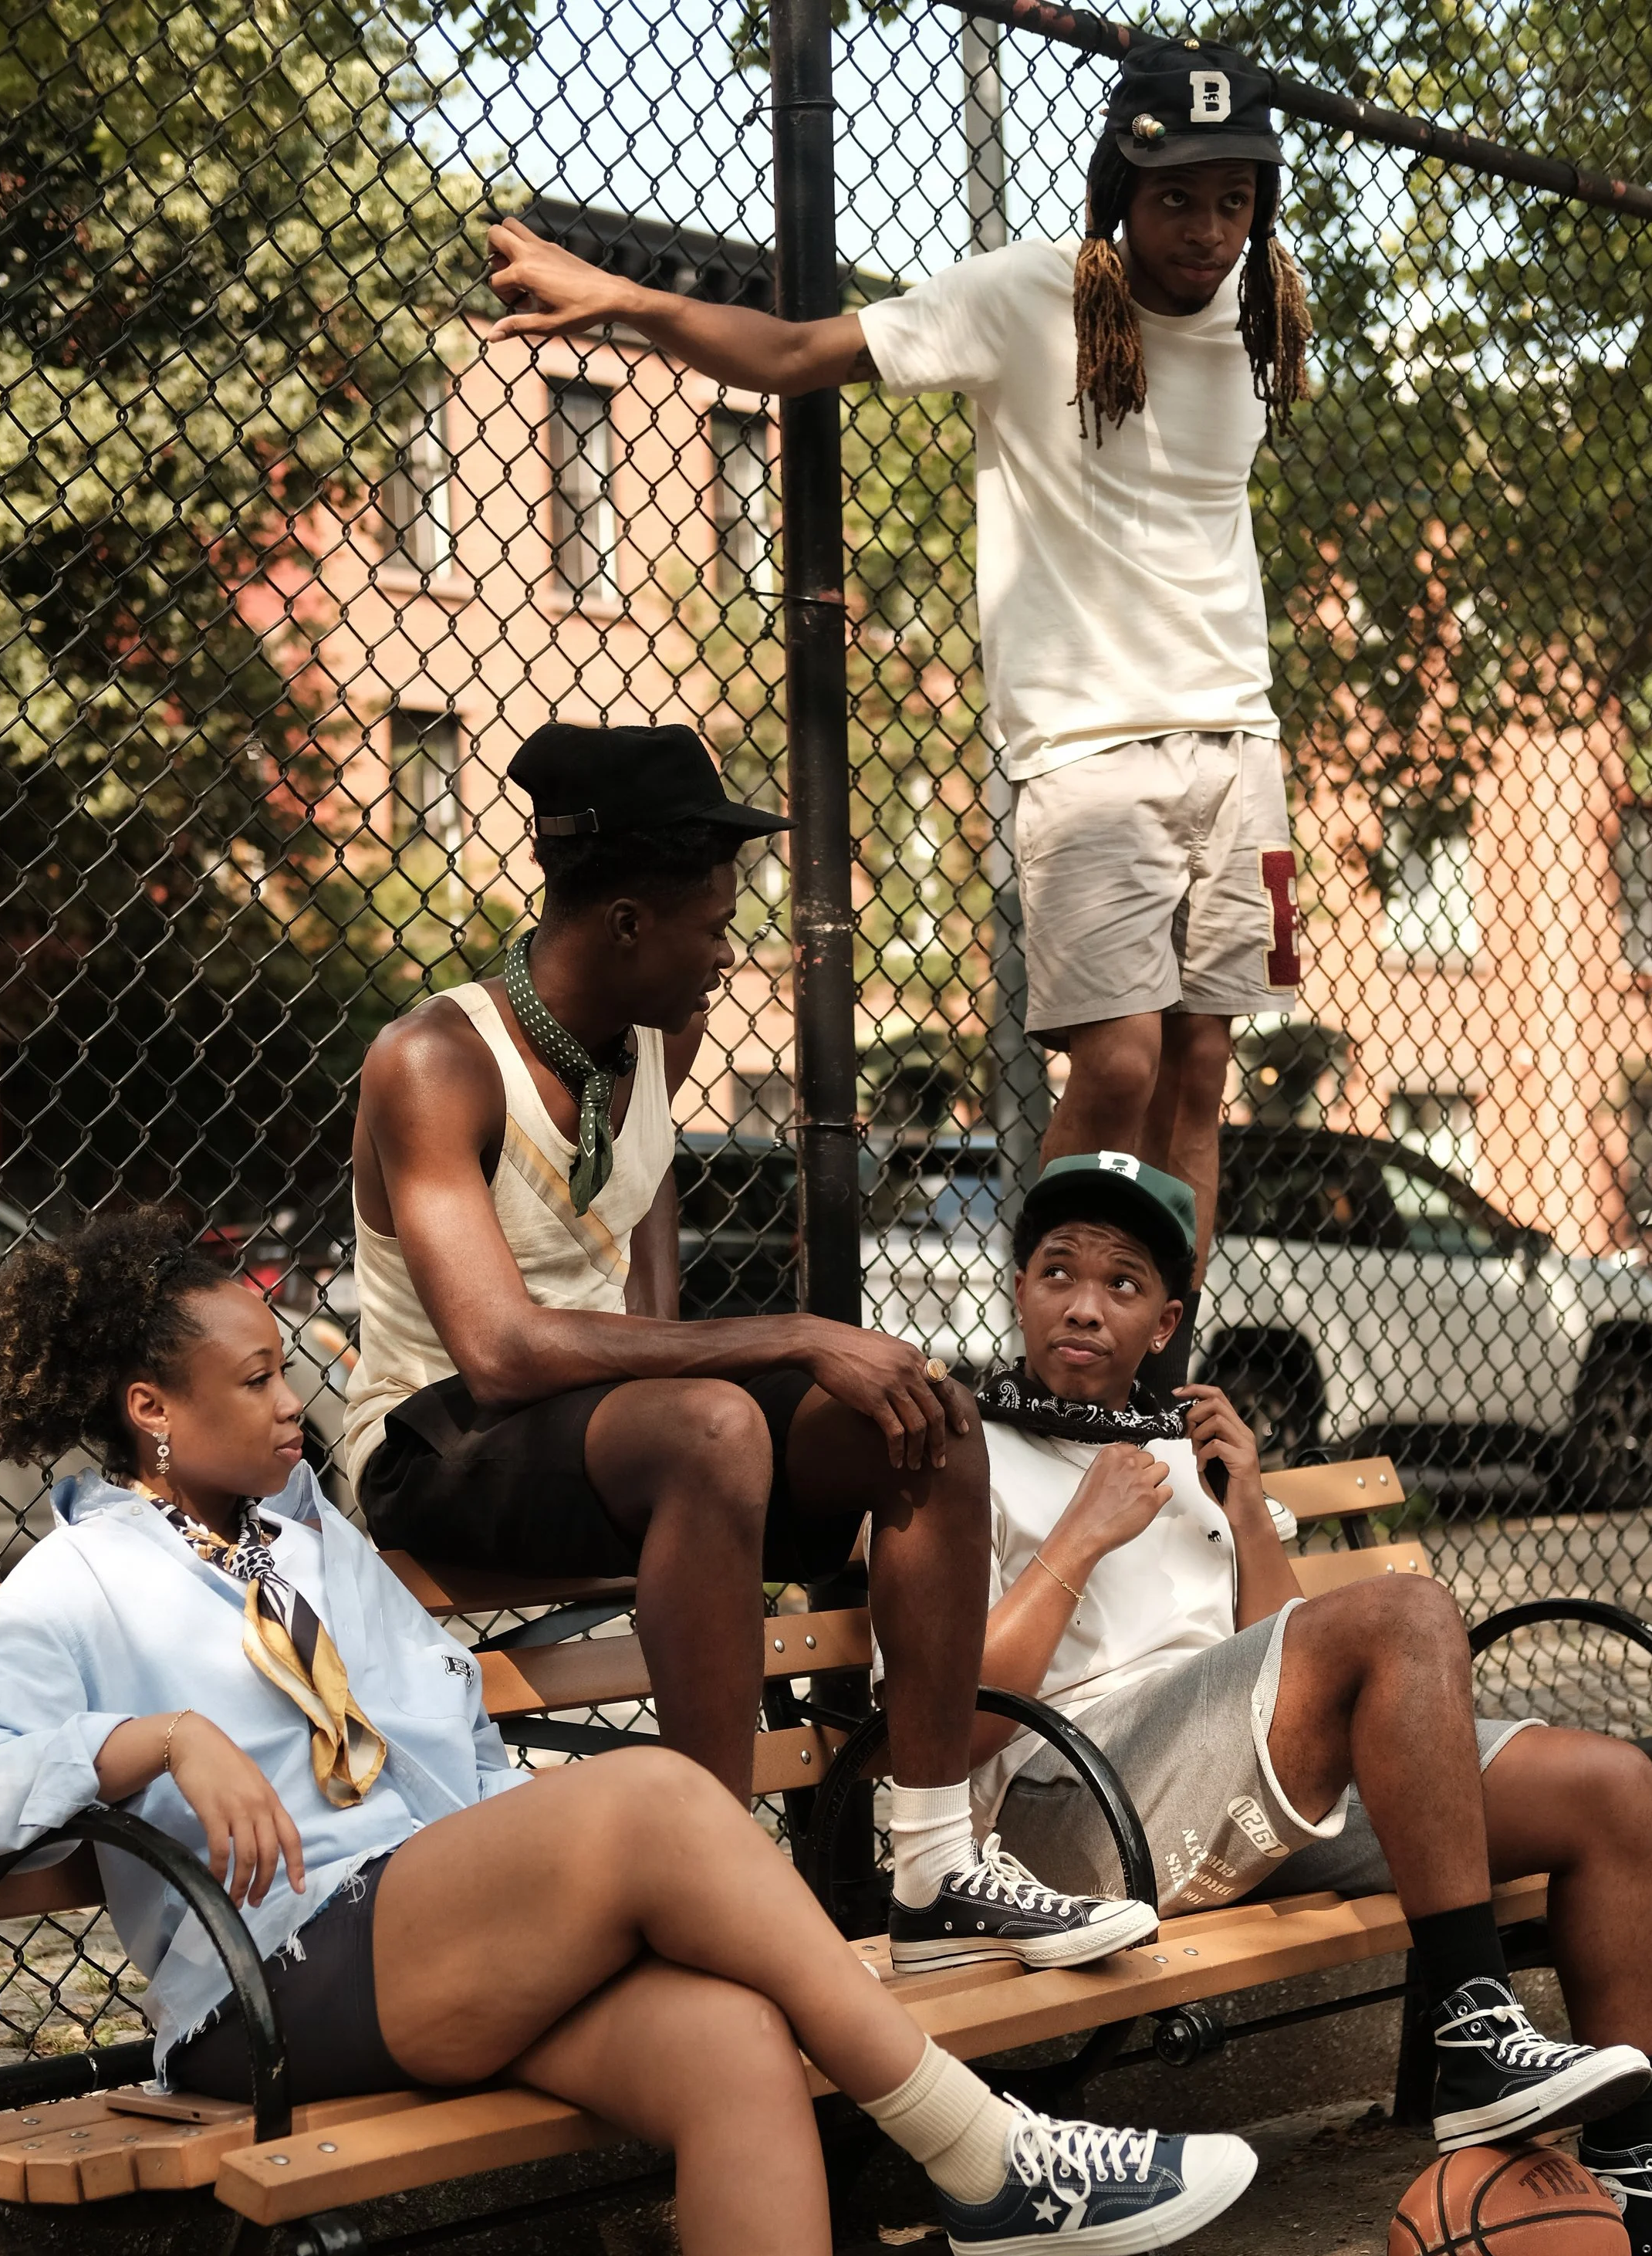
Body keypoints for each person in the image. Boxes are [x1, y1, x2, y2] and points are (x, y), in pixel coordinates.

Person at [0, 1211, 1262, 2256]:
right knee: (658, 1794)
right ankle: (979, 2149)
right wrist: (151, 1737)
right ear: (151, 1410)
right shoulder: (80, 1583)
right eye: (258, 1378)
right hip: (271, 1985)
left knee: (730, 2045)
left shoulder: (310, 1542)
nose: (297, 1403)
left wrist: (530, 1873)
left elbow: (445, 1738)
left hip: (429, 1940)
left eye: (289, 1368)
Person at [485, 30, 1310, 1385]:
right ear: (1122, 188)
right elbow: (794, 349)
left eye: (1235, 200)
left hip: (1241, 744)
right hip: (1088, 753)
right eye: (1178, 200)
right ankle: (1057, 1370)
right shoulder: (1030, 298)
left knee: (1201, 1071)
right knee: (1115, 1065)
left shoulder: (1260, 311)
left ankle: (1153, 1380)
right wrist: (620, 299)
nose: (1208, 231)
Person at [344, 717, 1152, 1976]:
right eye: (714, 926)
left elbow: (654, 1316)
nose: (732, 952)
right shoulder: (436, 1061)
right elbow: (498, 1353)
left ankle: (933, 1867)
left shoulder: (654, 1043)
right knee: (717, 1424)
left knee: (921, 1414)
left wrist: (798, 1371)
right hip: (437, 1437)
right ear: (626, 923)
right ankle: (717, 1890)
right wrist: (794, 1336)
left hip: (613, 1432)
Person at [967, 1151, 1652, 2256]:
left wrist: (1249, 1510)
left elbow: (1278, 1656)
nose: (1086, 1306)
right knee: (1405, 1611)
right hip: (1071, 1815)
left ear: (1166, 1322)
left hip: (1233, 1788)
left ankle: (1637, 2187)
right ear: (1019, 1289)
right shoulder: (968, 1449)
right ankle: (1475, 2030)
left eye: (1124, 1283)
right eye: (1058, 1272)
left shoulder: (1177, 1444)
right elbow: (951, 1725)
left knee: (1610, 1788)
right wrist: (1079, 1535)